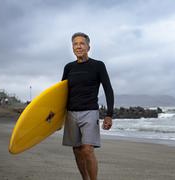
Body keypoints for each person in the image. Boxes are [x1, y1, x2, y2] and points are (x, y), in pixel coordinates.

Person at [61, 32, 114, 180]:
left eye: (81, 43)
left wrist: (109, 115)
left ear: (88, 47)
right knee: (77, 150)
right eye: (75, 44)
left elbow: (108, 89)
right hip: (71, 113)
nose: (78, 46)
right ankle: (85, 178)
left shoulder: (98, 65)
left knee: (87, 149)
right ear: (72, 48)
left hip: (90, 111)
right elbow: (61, 93)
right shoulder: (69, 68)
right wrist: (56, 118)